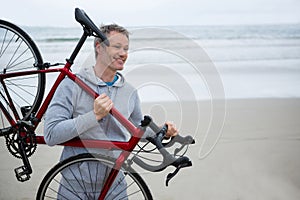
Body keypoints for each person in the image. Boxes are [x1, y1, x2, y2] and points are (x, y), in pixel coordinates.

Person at [44, 24, 178, 199]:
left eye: (126, 49)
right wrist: (94, 116)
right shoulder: (71, 85)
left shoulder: (129, 92)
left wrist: (162, 131)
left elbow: (137, 130)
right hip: (74, 185)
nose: (124, 53)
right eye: (117, 47)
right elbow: (51, 135)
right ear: (99, 47)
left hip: (115, 184)